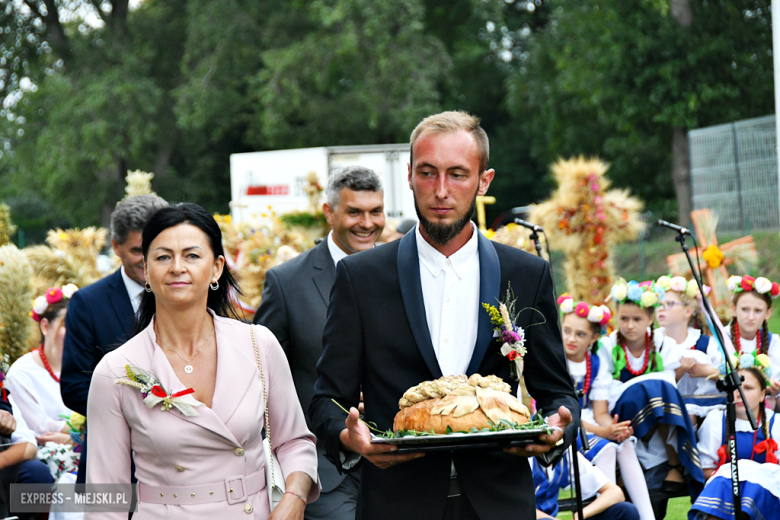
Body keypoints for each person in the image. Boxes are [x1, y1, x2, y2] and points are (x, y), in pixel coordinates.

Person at [309, 111, 579, 520]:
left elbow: (559, 392)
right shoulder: (360, 277)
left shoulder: (526, 274)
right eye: (428, 173)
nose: (440, 191)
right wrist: (351, 438)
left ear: (483, 181)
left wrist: (559, 428)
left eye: (457, 174)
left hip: (499, 504)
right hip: (396, 505)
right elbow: (328, 399)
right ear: (409, 175)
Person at [86, 203, 320, 519]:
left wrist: (294, 499)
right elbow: (105, 498)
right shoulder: (116, 370)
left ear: (217, 268)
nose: (177, 267)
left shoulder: (258, 344)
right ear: (146, 271)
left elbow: (294, 442)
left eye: (192, 255)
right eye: (163, 256)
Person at [254, 165, 384, 520]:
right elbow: (262, 379)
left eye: (376, 212)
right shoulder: (286, 283)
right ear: (329, 213)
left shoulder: (401, 272)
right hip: (324, 471)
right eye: (354, 212)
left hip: (395, 465)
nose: (367, 223)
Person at [61, 194, 168, 484]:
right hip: (115, 467)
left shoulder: (188, 293)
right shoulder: (89, 303)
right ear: (116, 247)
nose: (148, 260)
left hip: (181, 473)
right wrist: (144, 409)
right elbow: (74, 387)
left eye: (157, 248)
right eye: (137, 250)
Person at [600, 279, 704, 494]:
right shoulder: (609, 345)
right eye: (624, 319)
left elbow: (671, 379)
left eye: (637, 319)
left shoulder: (661, 342)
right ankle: (623, 466)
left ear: (650, 318)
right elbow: (605, 388)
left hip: (657, 407)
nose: (630, 325)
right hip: (623, 411)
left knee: (660, 387)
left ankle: (674, 463)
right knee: (655, 386)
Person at [557, 295, 654, 520]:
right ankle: (605, 512)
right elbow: (562, 413)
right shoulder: (557, 361)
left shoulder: (595, 363)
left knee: (626, 444)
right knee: (607, 448)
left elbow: (600, 412)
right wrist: (604, 433)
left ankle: (648, 516)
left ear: (593, 338)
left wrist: (615, 429)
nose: (571, 338)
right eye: (567, 331)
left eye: (580, 334)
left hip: (588, 421)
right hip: (563, 425)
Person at [7, 284, 81, 481]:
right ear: (45, 326)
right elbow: (40, 429)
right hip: (46, 459)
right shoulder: (21, 372)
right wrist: (80, 436)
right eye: (67, 323)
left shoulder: (88, 365)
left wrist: (72, 438)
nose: (76, 331)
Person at [689, 362, 780, 520]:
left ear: (762, 394)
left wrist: (748, 472)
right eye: (735, 388)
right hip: (725, 492)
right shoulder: (717, 420)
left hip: (766, 495)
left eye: (748, 388)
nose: (739, 394)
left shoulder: (775, 423)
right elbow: (706, 469)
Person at [654, 276, 722, 423]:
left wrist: (706, 371)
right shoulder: (654, 342)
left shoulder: (705, 344)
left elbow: (726, 375)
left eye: (669, 304)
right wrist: (679, 371)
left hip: (703, 413)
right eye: (659, 304)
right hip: (662, 410)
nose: (661, 308)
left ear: (688, 311)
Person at [532, 450, 640, 520]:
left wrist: (581, 514)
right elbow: (517, 506)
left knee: (626, 510)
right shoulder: (523, 457)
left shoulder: (566, 452)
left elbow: (615, 493)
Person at [725, 275, 780, 410]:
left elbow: (775, 375)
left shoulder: (773, 341)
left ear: (768, 313)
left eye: (758, 311)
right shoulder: (722, 338)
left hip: (762, 399)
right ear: (734, 309)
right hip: (728, 399)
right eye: (745, 309)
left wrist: (773, 386)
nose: (750, 317)